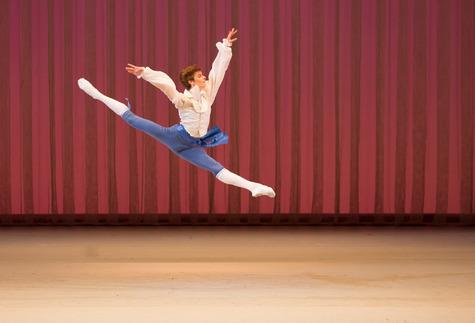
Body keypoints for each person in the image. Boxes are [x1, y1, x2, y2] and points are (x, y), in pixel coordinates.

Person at [77, 28, 275, 198]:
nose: (204, 77)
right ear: (191, 81)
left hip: (192, 145)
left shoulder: (208, 94)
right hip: (174, 136)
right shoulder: (182, 99)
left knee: (216, 168)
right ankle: (97, 94)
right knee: (132, 119)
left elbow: (218, 71)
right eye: (199, 76)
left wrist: (226, 46)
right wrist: (144, 72)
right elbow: (167, 85)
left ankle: (253, 187)